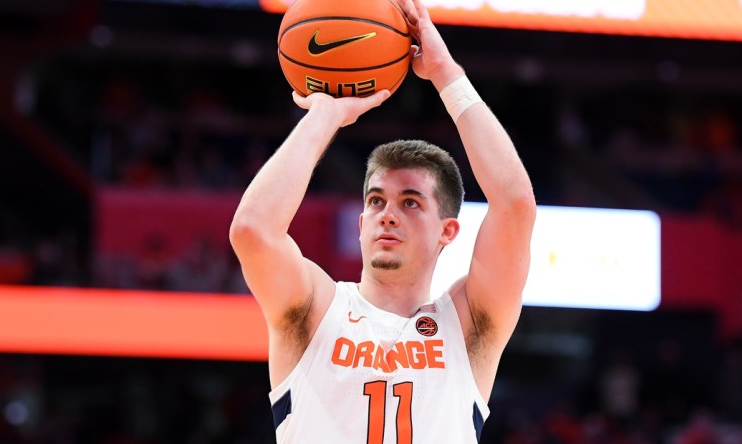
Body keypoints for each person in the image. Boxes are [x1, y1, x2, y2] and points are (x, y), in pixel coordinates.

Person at [229, 0, 536, 442]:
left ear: (448, 230)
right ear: (359, 223)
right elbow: (252, 231)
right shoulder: (315, 309)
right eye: (375, 201)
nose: (387, 214)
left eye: (410, 203)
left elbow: (515, 205)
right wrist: (326, 116)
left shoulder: (469, 326)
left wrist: (447, 74)